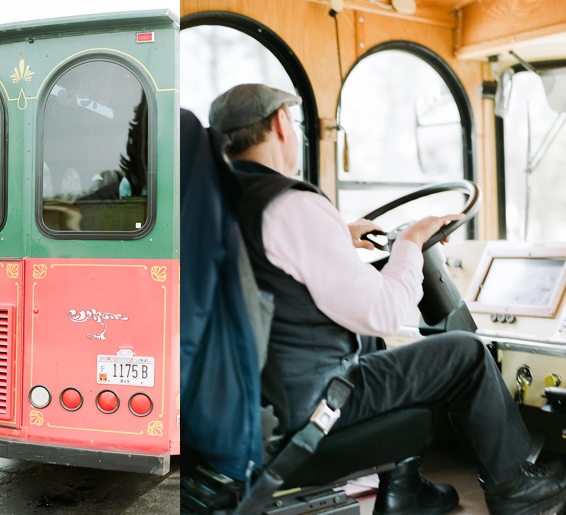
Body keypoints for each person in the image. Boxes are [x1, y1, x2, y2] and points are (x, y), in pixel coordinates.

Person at [207, 83, 566, 515]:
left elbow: (269, 265)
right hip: (312, 407)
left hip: (252, 400)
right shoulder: (293, 205)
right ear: (281, 123)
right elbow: (386, 312)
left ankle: (404, 491)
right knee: (466, 352)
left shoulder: (221, 202)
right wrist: (411, 242)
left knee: (363, 339)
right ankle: (515, 490)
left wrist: (337, 236)